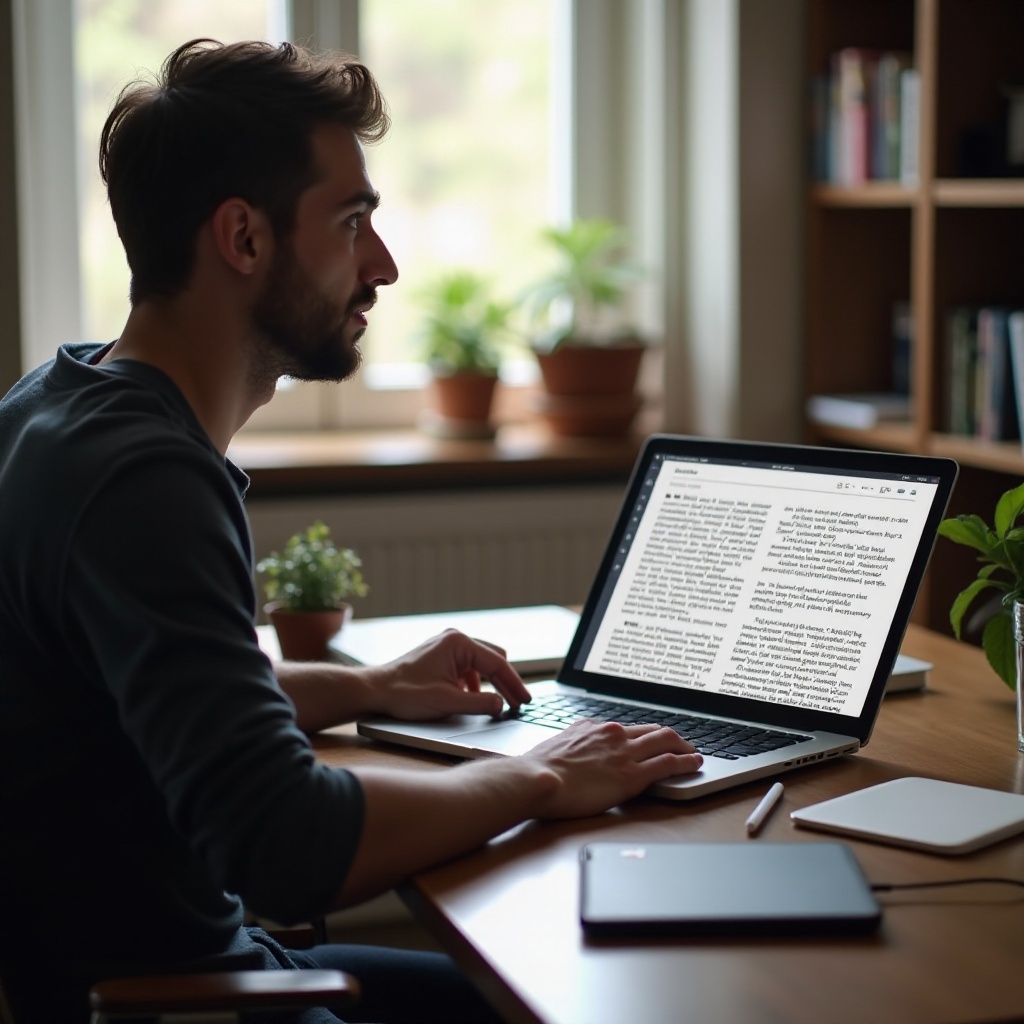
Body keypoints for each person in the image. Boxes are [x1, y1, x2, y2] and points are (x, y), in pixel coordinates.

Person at [0, 38, 702, 1024]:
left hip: (196, 965)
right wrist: (539, 774)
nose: (383, 264)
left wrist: (371, 686)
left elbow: (164, 696)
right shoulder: (143, 480)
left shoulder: (58, 401)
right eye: (352, 220)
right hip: (169, 1002)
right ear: (242, 238)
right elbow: (287, 844)